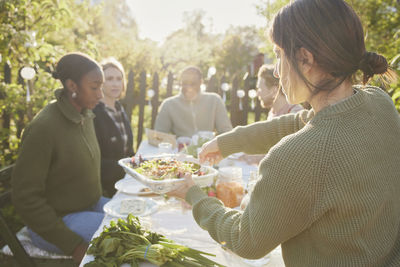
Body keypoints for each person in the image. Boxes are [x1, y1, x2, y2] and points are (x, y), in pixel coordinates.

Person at [168, 0, 400, 266]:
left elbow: (245, 239)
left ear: (305, 59)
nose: (276, 70)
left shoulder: (297, 157)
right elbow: (301, 122)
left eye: (278, 54)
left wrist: (194, 195)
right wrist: (227, 142)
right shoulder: (380, 103)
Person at [11, 52, 108, 264]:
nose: (100, 94)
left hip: (89, 206)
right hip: (57, 224)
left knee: (141, 221)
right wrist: (73, 245)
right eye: (94, 87)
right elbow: (25, 198)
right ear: (72, 86)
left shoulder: (86, 115)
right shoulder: (43, 128)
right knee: (124, 238)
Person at [93, 58, 134, 197]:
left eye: (119, 78)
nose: (116, 83)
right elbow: (96, 161)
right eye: (109, 79)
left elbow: (128, 150)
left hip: (126, 182)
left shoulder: (119, 108)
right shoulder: (94, 114)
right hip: (106, 189)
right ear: (100, 83)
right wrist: (129, 168)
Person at [154, 66, 232, 138]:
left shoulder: (215, 100)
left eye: (193, 84)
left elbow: (226, 132)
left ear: (201, 82)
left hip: (208, 150)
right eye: (185, 83)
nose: (189, 88)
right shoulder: (168, 104)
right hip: (180, 150)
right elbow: (159, 135)